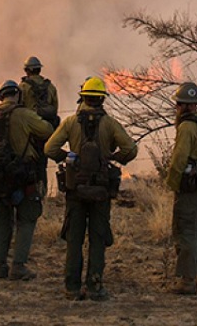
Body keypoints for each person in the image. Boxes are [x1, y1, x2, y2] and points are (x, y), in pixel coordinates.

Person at [44, 76, 137, 301]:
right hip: (101, 192)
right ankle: (95, 286)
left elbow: (49, 148)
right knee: (98, 238)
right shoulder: (110, 124)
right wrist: (114, 158)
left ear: (83, 97)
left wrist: (68, 157)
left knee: (74, 239)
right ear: (102, 99)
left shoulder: (70, 123)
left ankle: (72, 288)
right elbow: (131, 149)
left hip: (76, 189)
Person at [0, 79, 54, 280]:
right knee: (27, 219)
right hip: (23, 175)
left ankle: (0, 266)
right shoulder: (24, 114)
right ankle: (19, 265)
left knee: (1, 221)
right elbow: (47, 130)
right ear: (17, 95)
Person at [164, 82, 197, 295]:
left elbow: (179, 160)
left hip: (191, 189)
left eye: (178, 105)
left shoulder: (186, 127)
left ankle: (186, 281)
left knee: (186, 231)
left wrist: (172, 185)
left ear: (182, 106)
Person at [19, 56, 60, 129]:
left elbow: (18, 109)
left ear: (27, 70)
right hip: (48, 127)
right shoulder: (50, 86)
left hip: (30, 127)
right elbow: (55, 107)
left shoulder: (23, 87)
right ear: (39, 69)